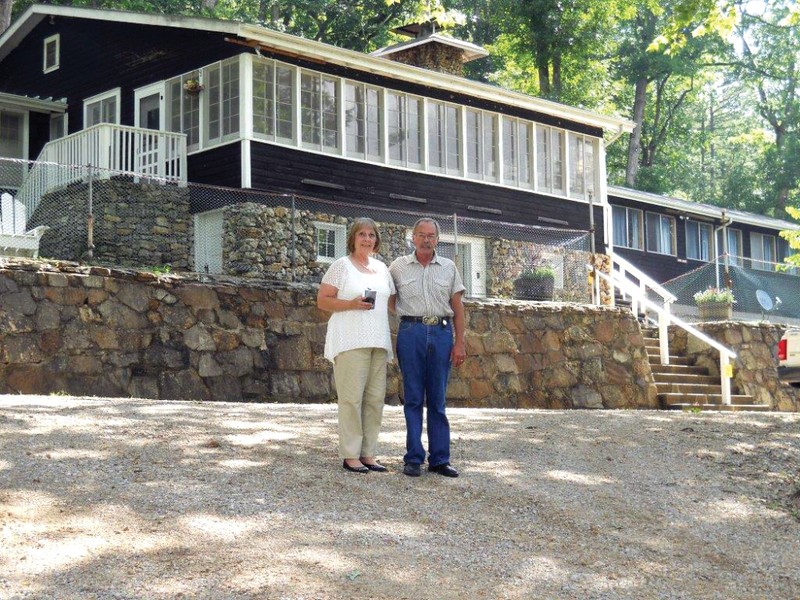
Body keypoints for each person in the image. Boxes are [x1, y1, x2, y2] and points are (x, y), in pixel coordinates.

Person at [317, 218, 396, 474]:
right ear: (352, 238)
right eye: (362, 234)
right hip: (351, 340)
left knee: (374, 400)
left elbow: (393, 302)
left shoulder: (383, 268)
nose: (367, 239)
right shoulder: (341, 266)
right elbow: (322, 301)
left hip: (378, 340)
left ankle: (368, 454)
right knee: (351, 399)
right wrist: (351, 304)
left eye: (371, 234)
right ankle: (351, 455)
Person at [389, 217, 466, 478]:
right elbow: (390, 300)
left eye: (431, 235)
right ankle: (413, 457)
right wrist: (407, 316)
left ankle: (440, 459)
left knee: (437, 399)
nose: (426, 239)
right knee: (412, 398)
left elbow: (458, 308)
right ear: (413, 238)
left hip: (442, 334)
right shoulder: (398, 267)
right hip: (411, 333)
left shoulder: (449, 267)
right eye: (421, 234)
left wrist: (460, 342)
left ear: (437, 239)